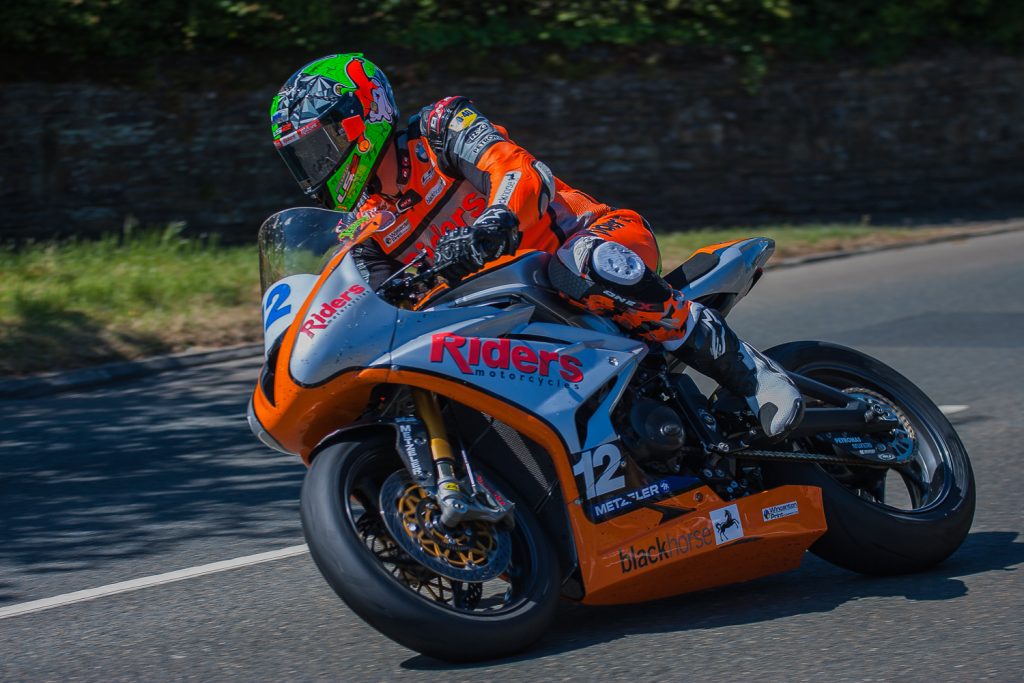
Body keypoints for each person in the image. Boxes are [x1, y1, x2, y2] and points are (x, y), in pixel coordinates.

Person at [270, 54, 802, 438]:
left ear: (361, 118)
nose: (316, 167)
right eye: (302, 158)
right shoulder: (362, 227)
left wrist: (495, 220)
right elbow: (370, 301)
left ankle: (748, 371)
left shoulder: (439, 127)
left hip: (588, 243)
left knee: (581, 264)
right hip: (507, 314)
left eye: (319, 147)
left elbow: (518, 171)